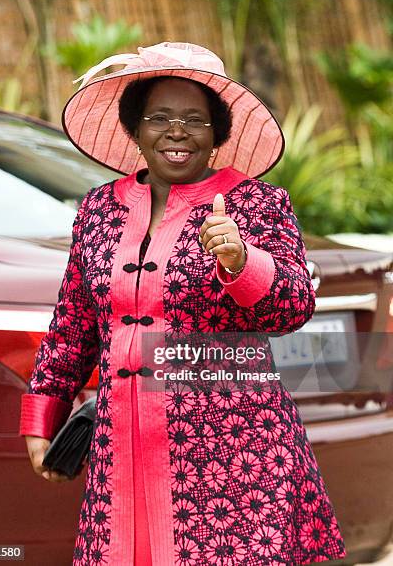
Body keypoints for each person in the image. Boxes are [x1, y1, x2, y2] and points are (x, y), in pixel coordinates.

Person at [19, 42, 347, 565]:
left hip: (234, 456)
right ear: (135, 129)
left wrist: (242, 261)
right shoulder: (99, 208)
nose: (178, 131)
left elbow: (294, 307)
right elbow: (74, 323)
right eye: (161, 117)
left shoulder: (256, 203)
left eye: (196, 118)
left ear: (217, 132)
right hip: (121, 447)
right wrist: (43, 416)